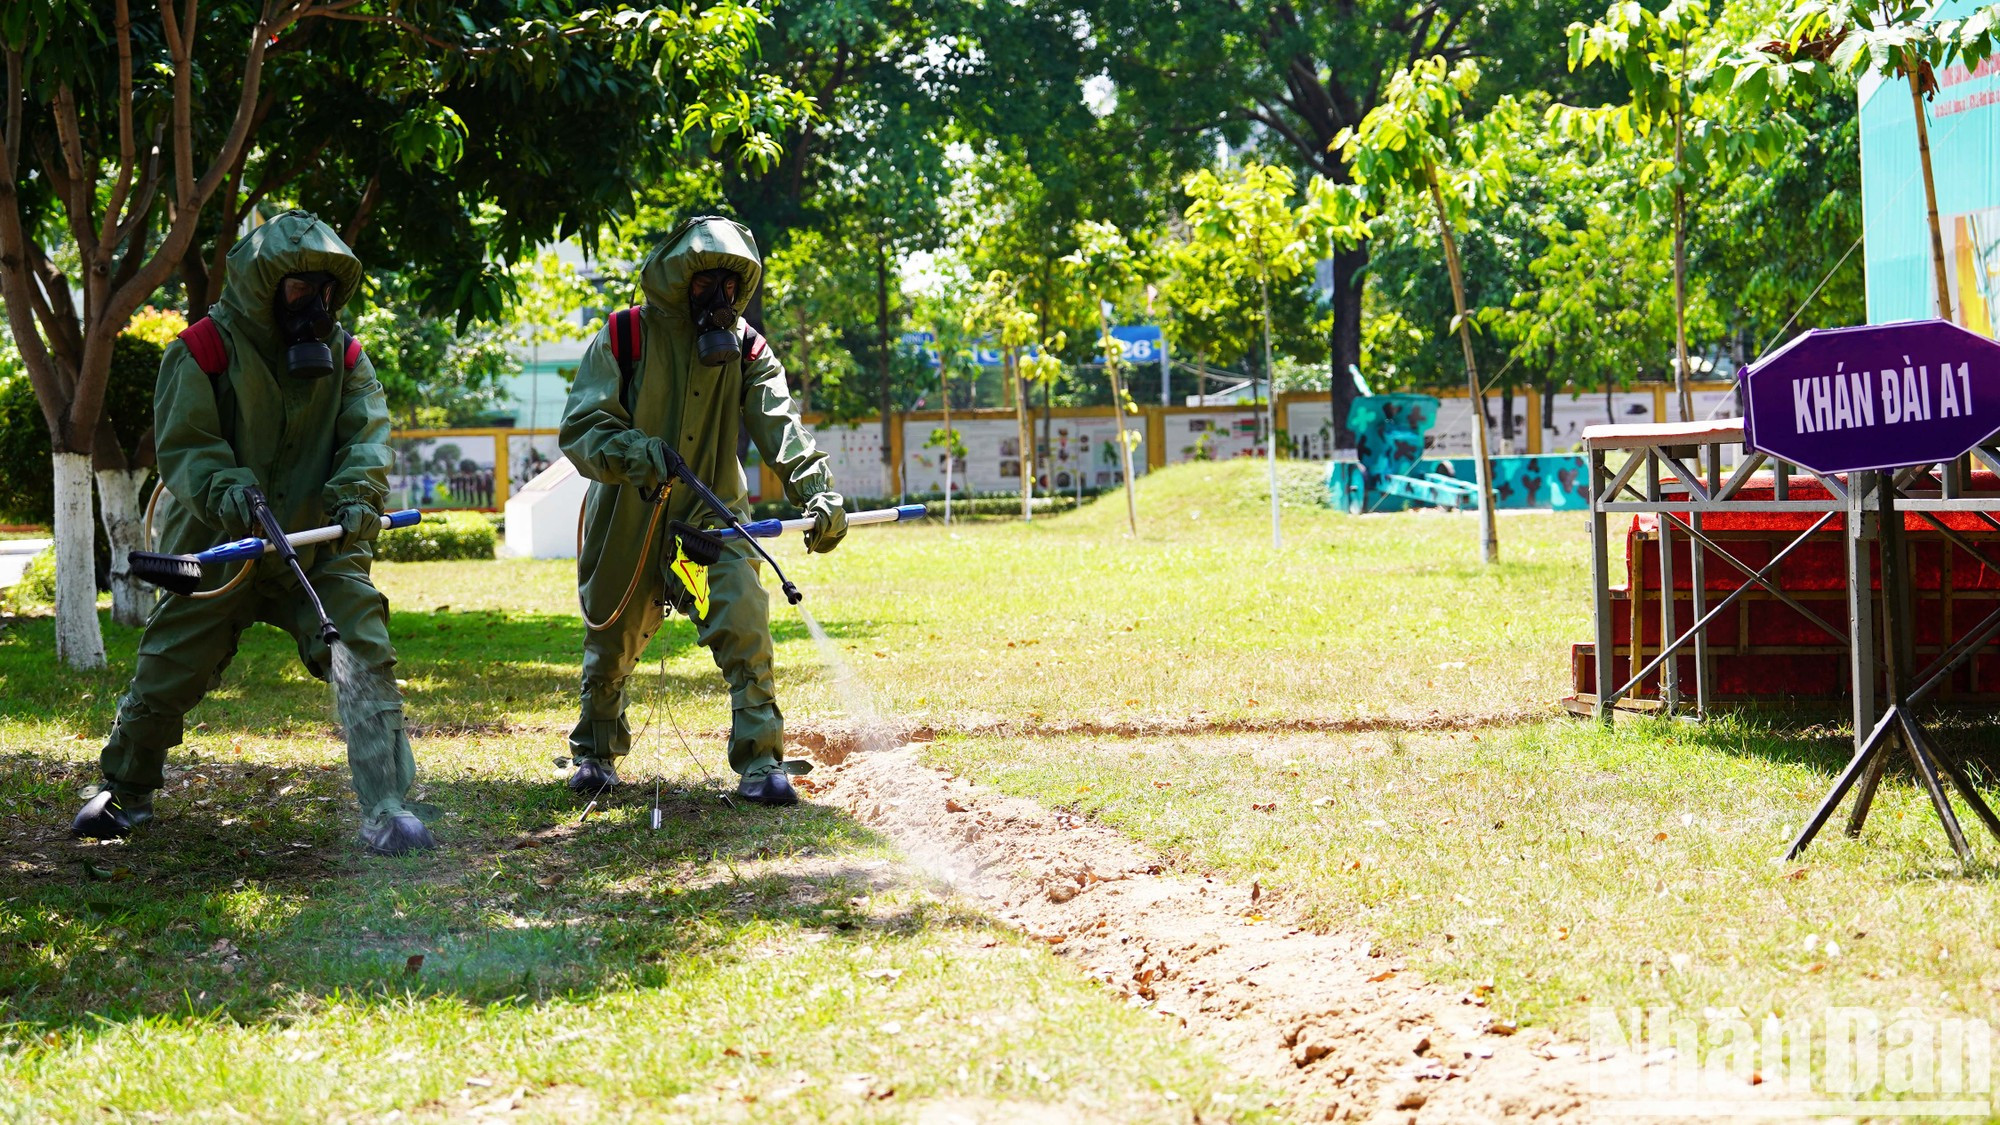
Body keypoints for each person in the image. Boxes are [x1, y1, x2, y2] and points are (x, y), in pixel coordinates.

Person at [73, 210, 435, 855]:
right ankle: (124, 791)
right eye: (301, 288)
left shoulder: (347, 355)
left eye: (326, 290)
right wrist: (226, 489)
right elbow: (188, 444)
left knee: (363, 656)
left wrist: (355, 496)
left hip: (319, 546)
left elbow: (367, 438)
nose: (316, 304)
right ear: (262, 286)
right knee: (169, 668)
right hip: (221, 545)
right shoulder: (203, 351)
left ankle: (387, 806)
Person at [560, 215, 846, 806]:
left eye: (728, 283)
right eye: (702, 281)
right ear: (674, 279)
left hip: (707, 523)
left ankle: (761, 762)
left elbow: (780, 424)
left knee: (742, 620)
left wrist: (815, 490)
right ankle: (594, 752)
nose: (716, 295)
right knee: (612, 642)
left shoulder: (747, 348)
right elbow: (581, 429)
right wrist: (637, 451)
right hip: (627, 522)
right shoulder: (623, 336)